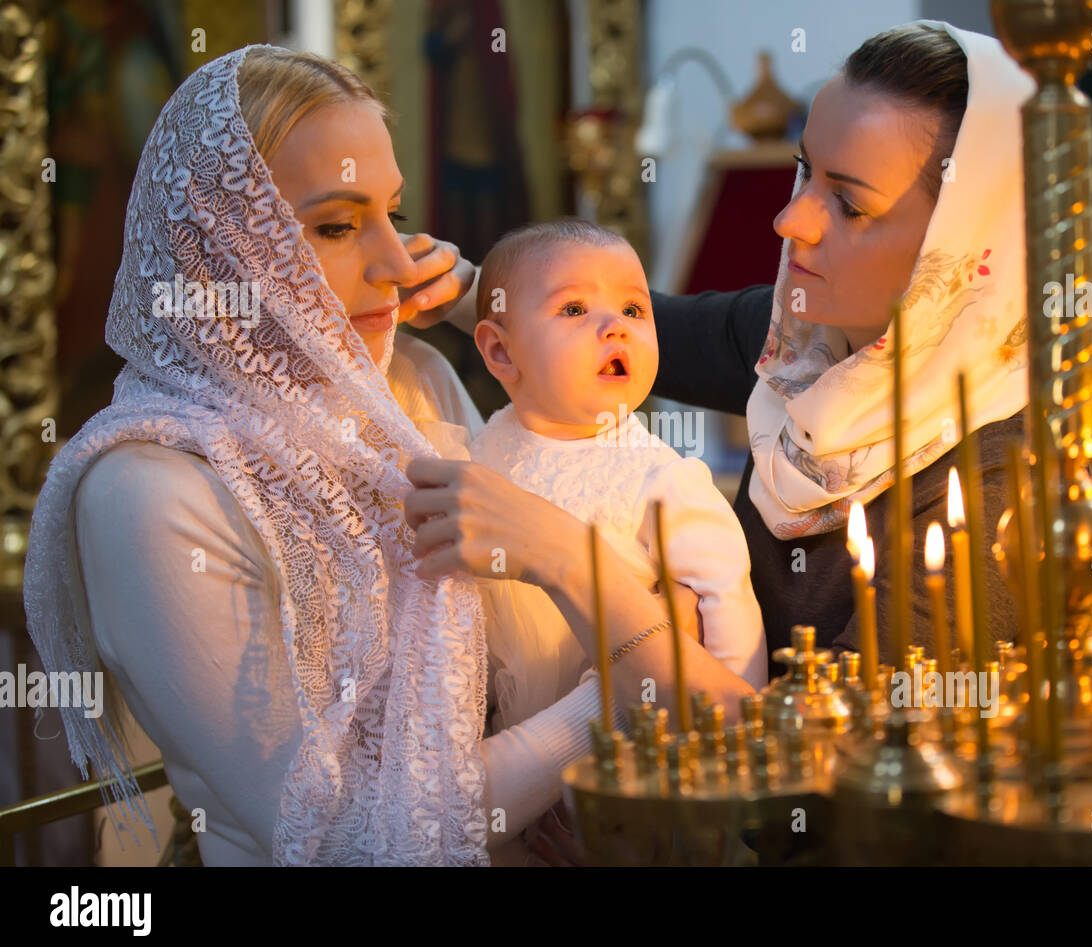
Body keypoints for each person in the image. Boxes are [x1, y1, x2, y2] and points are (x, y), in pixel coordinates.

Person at [24, 45, 748, 867]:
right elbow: (343, 837)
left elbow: (512, 651)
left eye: (392, 215)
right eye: (336, 226)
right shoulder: (147, 490)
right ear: (221, 248)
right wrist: (603, 709)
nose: (398, 264)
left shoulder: (413, 382)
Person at [423, 21, 1036, 670]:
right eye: (805, 171)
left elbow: (845, 745)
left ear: (966, 249)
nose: (789, 219)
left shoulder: (1001, 486)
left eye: (849, 206)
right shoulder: (797, 346)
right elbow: (606, 331)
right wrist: (452, 284)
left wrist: (571, 565)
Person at [468, 218, 767, 738]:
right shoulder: (483, 446)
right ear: (500, 351)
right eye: (575, 309)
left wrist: (726, 742)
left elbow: (726, 603)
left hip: (629, 737)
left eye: (634, 309)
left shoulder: (659, 478)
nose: (616, 326)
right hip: (504, 729)